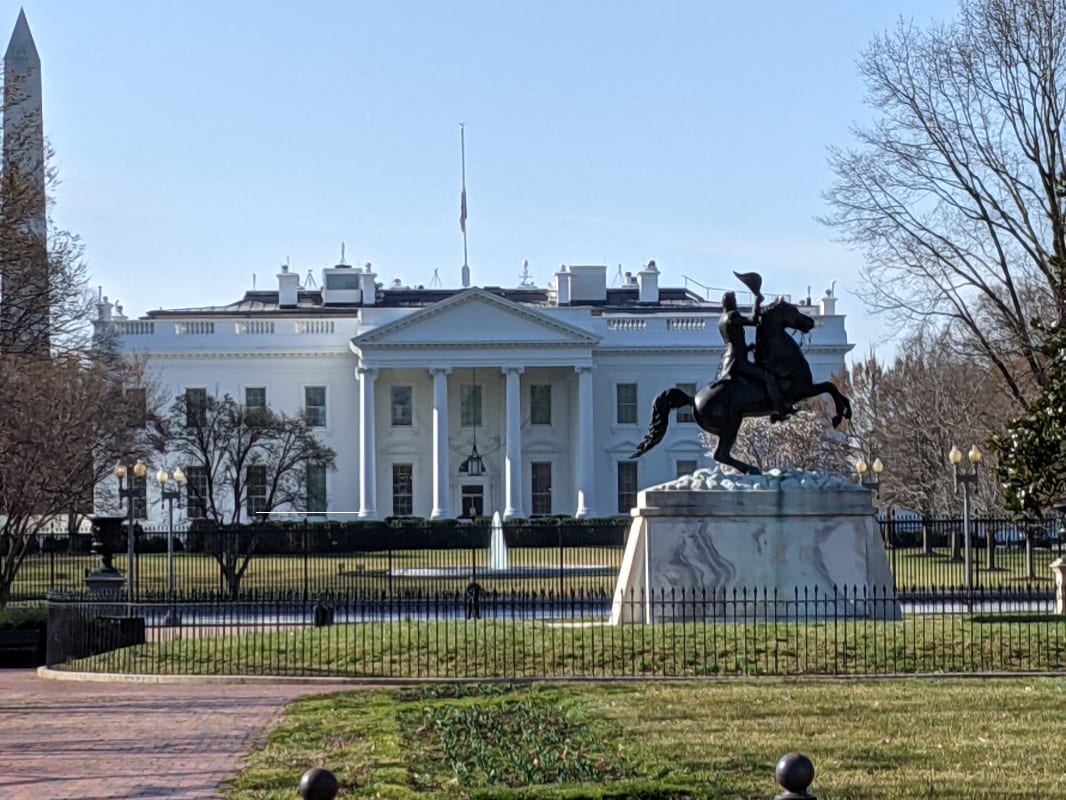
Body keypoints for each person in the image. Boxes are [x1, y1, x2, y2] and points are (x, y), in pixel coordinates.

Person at [717, 289, 792, 421]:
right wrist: (757, 300)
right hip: (738, 360)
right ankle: (780, 409)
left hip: (728, 358)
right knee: (767, 376)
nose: (736, 302)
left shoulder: (721, 320)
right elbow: (754, 320)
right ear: (730, 302)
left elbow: (733, 340)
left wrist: (747, 348)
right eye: (734, 300)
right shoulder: (732, 315)